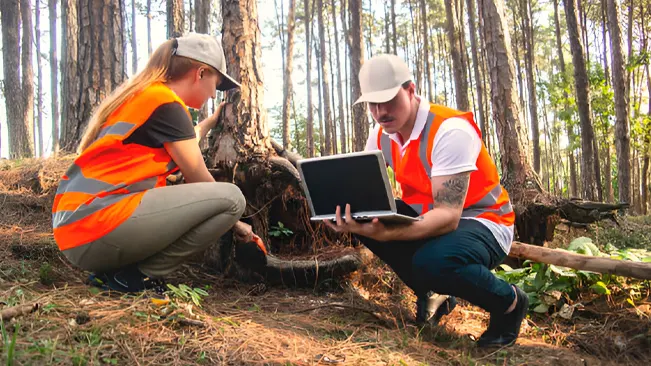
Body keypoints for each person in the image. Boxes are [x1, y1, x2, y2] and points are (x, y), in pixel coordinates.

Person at [325, 54, 529, 348]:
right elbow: (368, 193)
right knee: (368, 216)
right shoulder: (381, 135)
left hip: (485, 222)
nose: (381, 112)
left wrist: (388, 233)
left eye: (389, 101)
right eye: (373, 104)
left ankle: (509, 303)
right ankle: (434, 292)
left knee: (432, 261)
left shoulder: (450, 130)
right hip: (430, 218)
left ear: (410, 90)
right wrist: (352, 219)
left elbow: (448, 217)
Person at [52, 33, 255, 294]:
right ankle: (138, 277)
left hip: (77, 228)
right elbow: (199, 177)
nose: (214, 97)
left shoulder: (148, 98)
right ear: (200, 73)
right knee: (233, 199)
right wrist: (236, 222)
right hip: (96, 224)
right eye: (215, 86)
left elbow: (182, 140)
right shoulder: (167, 105)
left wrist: (208, 124)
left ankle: (112, 274)